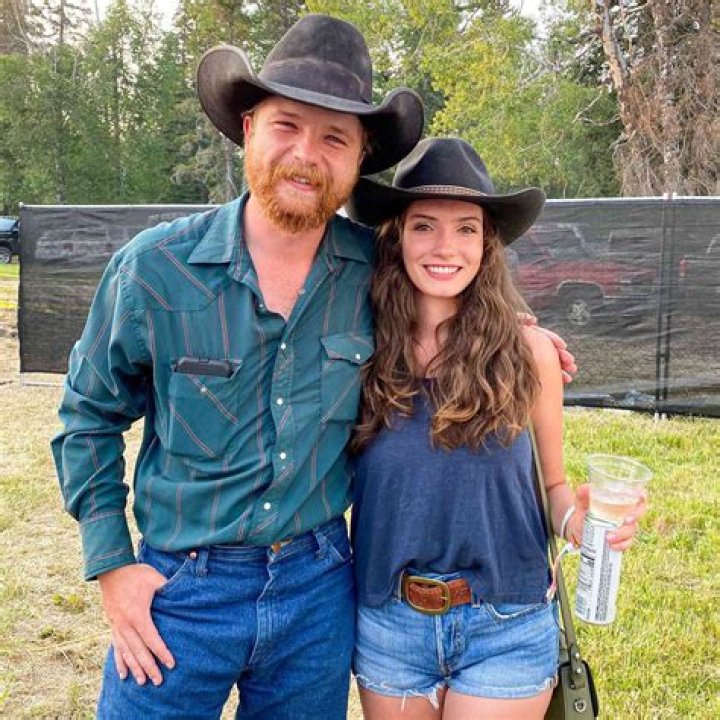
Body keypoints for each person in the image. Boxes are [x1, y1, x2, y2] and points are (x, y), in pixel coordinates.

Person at [51, 15, 574, 720]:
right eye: (286, 126)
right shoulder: (154, 270)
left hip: (318, 591)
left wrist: (520, 333)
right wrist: (114, 566)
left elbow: (452, 281)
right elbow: (87, 418)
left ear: (359, 159)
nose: (306, 155)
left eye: (334, 138)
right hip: (181, 590)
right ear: (248, 129)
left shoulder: (373, 271)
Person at [347, 137, 647, 720]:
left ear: (486, 245)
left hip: (506, 623)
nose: (445, 247)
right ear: (396, 236)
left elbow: (553, 487)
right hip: (389, 622)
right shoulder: (358, 348)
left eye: (466, 229)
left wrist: (581, 522)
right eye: (424, 226)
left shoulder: (529, 353)